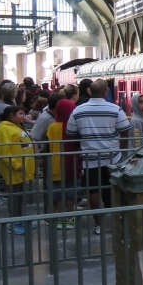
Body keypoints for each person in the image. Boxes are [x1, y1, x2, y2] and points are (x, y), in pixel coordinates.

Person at [66, 79, 130, 235]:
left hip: (90, 158)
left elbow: (70, 133)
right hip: (113, 157)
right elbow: (124, 131)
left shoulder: (78, 110)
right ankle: (115, 222)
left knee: (93, 191)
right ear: (105, 92)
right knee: (113, 189)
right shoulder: (115, 109)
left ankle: (98, 224)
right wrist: (122, 151)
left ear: (90, 92)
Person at [0, 105, 36, 235]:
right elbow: (3, 151)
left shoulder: (17, 126)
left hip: (22, 167)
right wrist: (15, 165)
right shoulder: (3, 129)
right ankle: (14, 223)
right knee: (14, 196)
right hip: (14, 168)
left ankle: (19, 219)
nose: (23, 116)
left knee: (19, 196)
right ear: (12, 116)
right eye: (20, 113)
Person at [46, 99, 79, 229]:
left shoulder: (53, 126)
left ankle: (61, 216)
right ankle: (70, 216)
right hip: (71, 162)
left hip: (55, 163)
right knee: (71, 190)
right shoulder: (73, 126)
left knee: (58, 191)